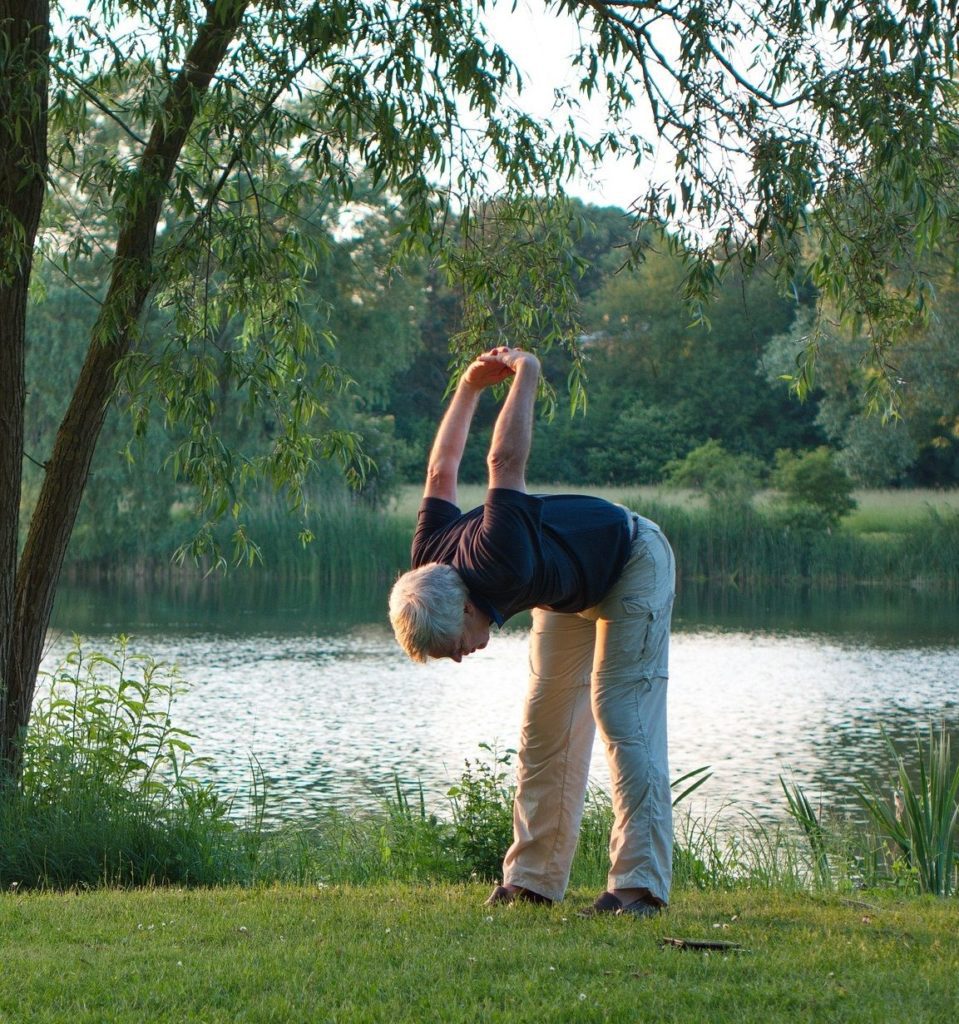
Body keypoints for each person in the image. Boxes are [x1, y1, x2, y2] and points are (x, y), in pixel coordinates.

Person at [388, 345, 675, 917]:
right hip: (567, 587)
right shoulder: (428, 559)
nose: (462, 658)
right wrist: (468, 388)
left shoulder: (499, 558)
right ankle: (532, 880)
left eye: (454, 649)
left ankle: (639, 887)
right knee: (544, 727)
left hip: (632, 559)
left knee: (619, 712)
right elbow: (440, 471)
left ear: (466, 608)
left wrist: (527, 375)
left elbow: (504, 463)